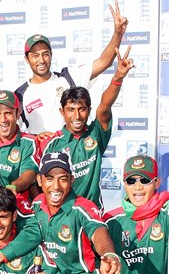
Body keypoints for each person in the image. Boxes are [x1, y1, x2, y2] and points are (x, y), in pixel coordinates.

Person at [40, 46, 134, 209]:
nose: (77, 116)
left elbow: (104, 106)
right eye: (71, 110)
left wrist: (118, 77)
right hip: (62, 216)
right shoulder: (51, 143)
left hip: (92, 214)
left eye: (81, 109)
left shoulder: (96, 134)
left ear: (89, 110)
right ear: (62, 112)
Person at [15, 2, 128, 134]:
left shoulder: (68, 78)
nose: (41, 60)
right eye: (35, 56)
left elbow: (104, 62)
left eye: (45, 54)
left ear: (51, 55)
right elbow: (18, 136)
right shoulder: (20, 95)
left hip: (72, 151)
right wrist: (37, 139)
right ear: (26, 59)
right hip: (41, 154)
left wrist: (118, 33)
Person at [0, 90, 39, 203]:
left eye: (8, 113)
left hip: (15, 202)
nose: (3, 120)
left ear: (17, 113)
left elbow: (29, 174)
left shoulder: (29, 142)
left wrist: (13, 187)